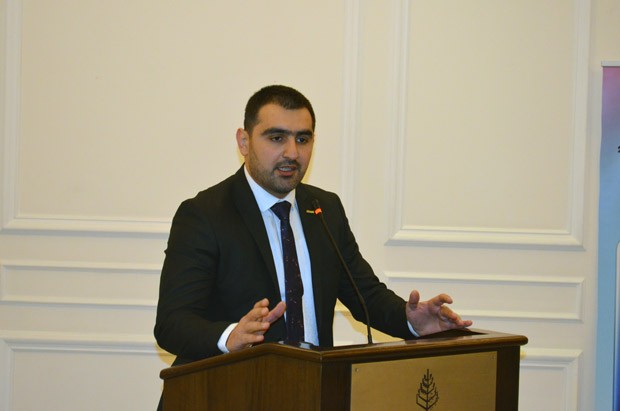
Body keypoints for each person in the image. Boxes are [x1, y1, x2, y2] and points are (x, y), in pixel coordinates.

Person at [154, 85, 472, 368]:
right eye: (276, 138)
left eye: (302, 139)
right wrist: (230, 337)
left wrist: (410, 320)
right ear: (244, 141)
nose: (292, 153)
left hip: (312, 390)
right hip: (227, 391)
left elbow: (365, 295)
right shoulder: (204, 214)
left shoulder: (324, 208)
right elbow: (172, 323)